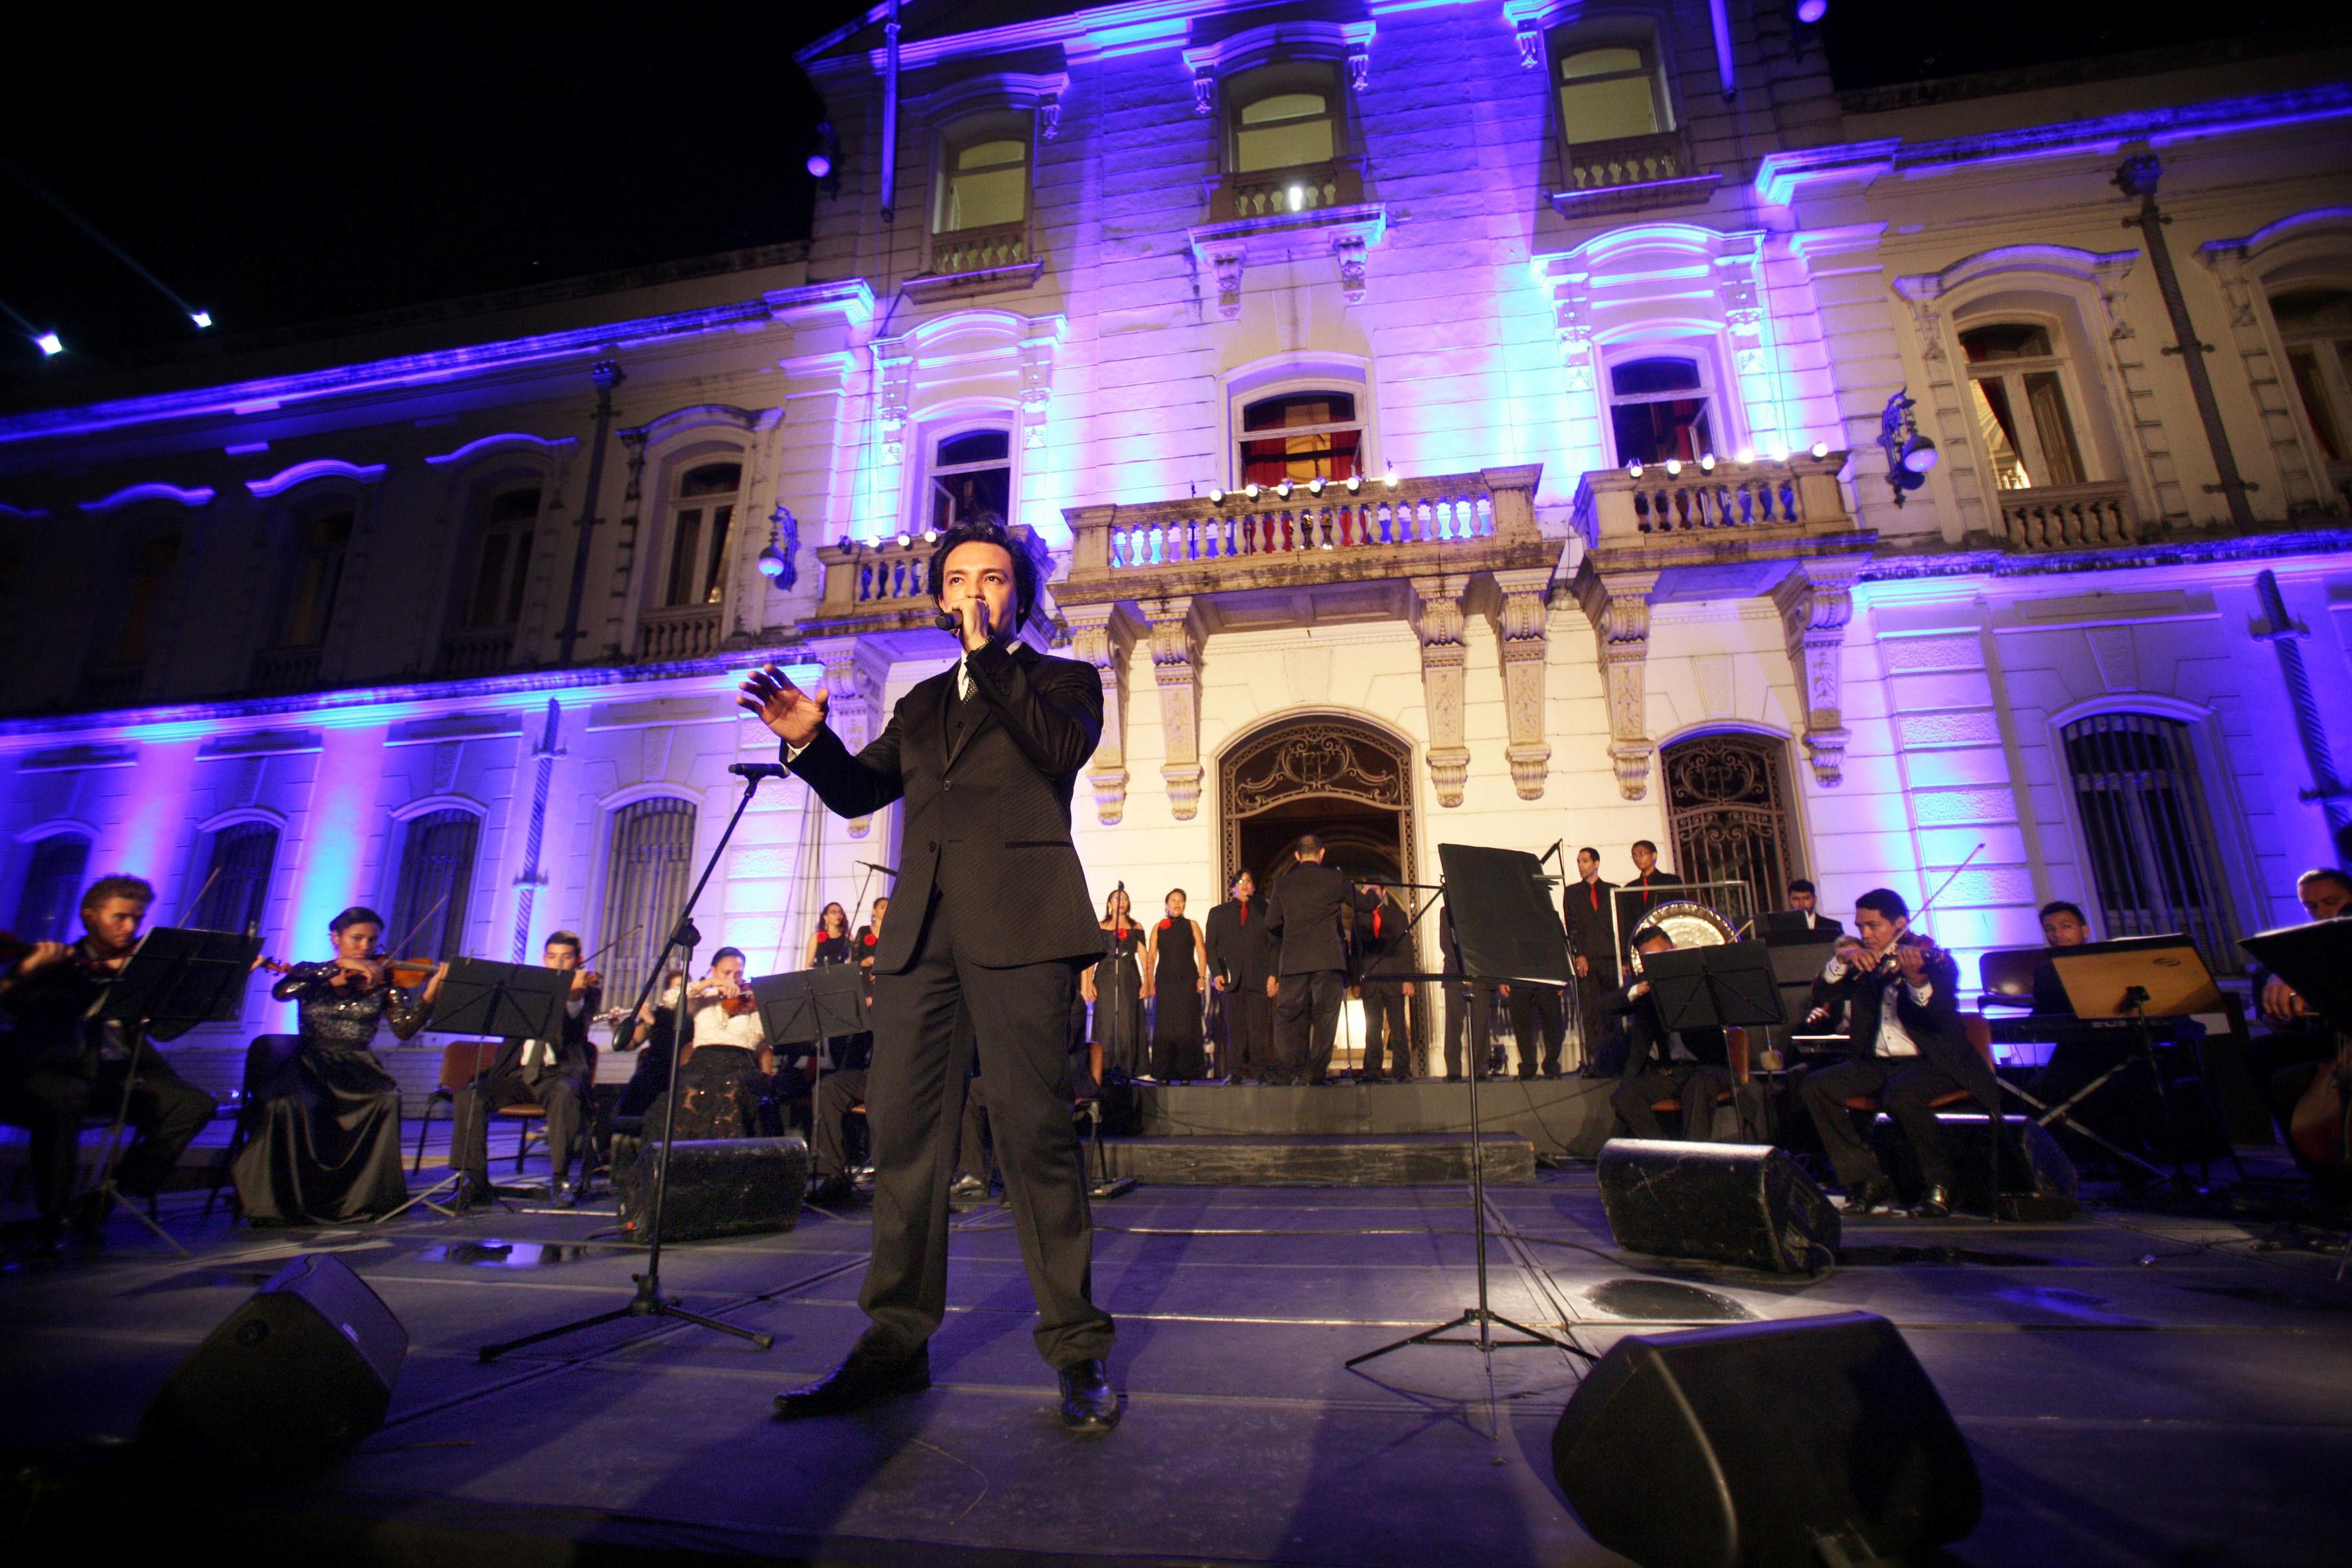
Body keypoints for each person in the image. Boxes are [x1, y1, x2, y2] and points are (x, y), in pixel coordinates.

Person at [741, 512, 1119, 1432]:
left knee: (1034, 1139)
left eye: (991, 578)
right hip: (918, 944)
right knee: (906, 1147)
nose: (972, 591)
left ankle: (1076, 1351)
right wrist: (806, 743)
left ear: (1017, 595)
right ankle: (892, 1346)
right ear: (939, 596)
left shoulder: (1062, 680)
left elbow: (1057, 751)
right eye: (957, 579)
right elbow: (862, 791)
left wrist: (991, 658)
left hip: (1023, 930)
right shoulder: (916, 705)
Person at [0, 875, 218, 1250]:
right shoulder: (58, 963)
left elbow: (164, 1032)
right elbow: (10, 1011)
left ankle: (105, 1198)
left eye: (137, 918)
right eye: (120, 917)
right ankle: (53, 1220)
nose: (130, 927)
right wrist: (26, 971)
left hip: (119, 1076)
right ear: (90, 917)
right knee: (59, 1100)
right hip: (57, 1071)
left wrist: (199, 995)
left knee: (194, 1105)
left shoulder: (139, 970)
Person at [234, 905, 447, 1225]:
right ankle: (291, 1200)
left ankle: (361, 1201)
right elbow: (282, 991)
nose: (365, 947)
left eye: (372, 940)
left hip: (357, 1063)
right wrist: (334, 968)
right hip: (309, 1060)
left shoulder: (385, 981)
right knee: (290, 1105)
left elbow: (404, 1028)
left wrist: (430, 995)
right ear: (336, 938)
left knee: (386, 1099)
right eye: (357, 939)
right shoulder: (310, 973)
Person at [1795, 890, 1992, 1217]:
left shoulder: (1935, 962)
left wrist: (1916, 981)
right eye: (1861, 928)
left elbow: (1938, 1017)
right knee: (1816, 1086)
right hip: (1879, 1064)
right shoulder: (1864, 963)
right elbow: (1824, 991)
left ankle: (1940, 1183)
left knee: (1901, 1093)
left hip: (1933, 1062)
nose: (1866, 935)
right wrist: (1841, 959)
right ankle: (1866, 1179)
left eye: (1874, 927)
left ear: (1901, 924)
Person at [449, 931, 599, 1211]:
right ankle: (474, 1181)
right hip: (515, 1075)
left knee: (565, 1093)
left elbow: (574, 1030)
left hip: (557, 1073)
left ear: (578, 961)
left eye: (565, 958)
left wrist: (572, 997)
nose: (557, 964)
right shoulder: (524, 987)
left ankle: (561, 1180)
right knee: (469, 1097)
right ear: (544, 959)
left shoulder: (587, 991)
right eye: (552, 957)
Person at [1264, 835, 1380, 1087]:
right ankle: (1313, 1074)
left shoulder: (1282, 883)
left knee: (1289, 1018)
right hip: (1327, 961)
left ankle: (1286, 1073)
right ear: (1322, 853)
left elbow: (1271, 922)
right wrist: (1372, 895)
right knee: (1325, 1019)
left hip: (1294, 962)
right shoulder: (1334, 879)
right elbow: (1365, 904)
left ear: (1297, 855)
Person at [1607, 926, 1732, 1138]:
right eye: (1652, 959)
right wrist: (1638, 990)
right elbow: (1605, 1005)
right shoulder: (1649, 988)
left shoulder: (1699, 977)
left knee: (1698, 1085)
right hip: (1674, 1071)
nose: (1661, 963)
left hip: (1709, 1067)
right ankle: (1664, 1153)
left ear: (1674, 948)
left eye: (1664, 955)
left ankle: (1695, 1159)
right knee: (1625, 1097)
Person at [641, 948, 771, 1140]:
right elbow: (671, 999)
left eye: (739, 974)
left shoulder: (751, 1002)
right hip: (702, 1062)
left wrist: (751, 1007)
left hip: (739, 1063)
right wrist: (709, 984)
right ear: (714, 971)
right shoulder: (702, 999)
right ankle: (680, 1160)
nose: (733, 979)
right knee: (686, 1093)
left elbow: (755, 1039)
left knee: (732, 1090)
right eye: (726, 973)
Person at [1204, 870, 1275, 1082]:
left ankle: (1260, 1069)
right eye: (1241, 882)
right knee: (1235, 1028)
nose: (1245, 885)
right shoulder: (1218, 913)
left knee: (1258, 1027)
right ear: (1233, 887)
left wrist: (1273, 975)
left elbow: (1274, 946)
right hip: (1231, 979)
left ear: (1254, 887)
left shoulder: (1265, 910)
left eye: (1249, 881)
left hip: (1259, 978)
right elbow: (1211, 947)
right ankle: (1235, 1070)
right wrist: (1216, 973)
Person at [1560, 847, 1616, 1074]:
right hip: (1587, 958)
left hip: (1610, 957)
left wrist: (1622, 958)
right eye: (1578, 862)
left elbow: (1617, 926)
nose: (1581, 865)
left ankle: (1614, 1056)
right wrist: (1578, 954)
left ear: (1596, 863)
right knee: (1590, 1010)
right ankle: (1595, 1058)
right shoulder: (1572, 893)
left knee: (1612, 1009)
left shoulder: (1612, 890)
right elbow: (1571, 926)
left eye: (1585, 861)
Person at [1355, 880, 1417, 1082]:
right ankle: (1372, 1070)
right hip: (1370, 981)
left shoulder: (1398, 916)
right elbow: (1355, 951)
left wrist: (1407, 979)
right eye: (1365, 891)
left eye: (1373, 890)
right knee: (1373, 1027)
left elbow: (1406, 950)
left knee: (1398, 1026)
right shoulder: (1360, 917)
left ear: (1384, 892)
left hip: (1393, 979)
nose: (1369, 894)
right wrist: (1355, 980)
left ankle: (1402, 1070)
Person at [1144, 890, 1207, 1082]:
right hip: (1165, 980)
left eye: (1181, 900)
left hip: (1187, 979)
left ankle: (1187, 1073)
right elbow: (1152, 956)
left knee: (1187, 1026)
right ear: (1167, 905)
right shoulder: (1158, 927)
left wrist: (1202, 977)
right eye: (1173, 900)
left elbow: (1202, 952)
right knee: (1165, 1026)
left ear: (1185, 904)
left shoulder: (1192, 925)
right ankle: (1164, 1073)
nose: (1177, 903)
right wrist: (1149, 981)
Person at [1085, 890, 1146, 1080]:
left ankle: (1127, 1068)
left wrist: (1148, 981)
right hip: (1105, 977)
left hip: (1129, 978)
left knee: (1128, 1021)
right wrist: (1088, 983)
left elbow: (1145, 956)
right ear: (1109, 903)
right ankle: (1104, 1068)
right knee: (1106, 1021)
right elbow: (1091, 957)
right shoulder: (1101, 926)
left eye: (1126, 899)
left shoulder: (1136, 927)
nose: (1122, 902)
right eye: (1117, 899)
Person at [1437, 905, 1499, 1081]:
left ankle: (1480, 1069)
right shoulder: (1446, 911)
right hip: (1455, 972)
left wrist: (1475, 968)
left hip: (1480, 973)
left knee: (1480, 1023)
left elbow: (1490, 941)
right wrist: (1463, 969)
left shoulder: (1484, 909)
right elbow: (1446, 942)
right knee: (1453, 1024)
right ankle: (1454, 1070)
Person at [1506, 978, 1567, 1080]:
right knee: (1521, 1024)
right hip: (1518, 977)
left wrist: (1562, 979)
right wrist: (1504, 979)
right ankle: (1527, 1067)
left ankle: (1551, 1065)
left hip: (1547, 977)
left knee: (1553, 1023)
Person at [1761, 879, 1843, 941]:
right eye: (1796, 899)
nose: (1801, 904)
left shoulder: (1833, 926)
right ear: (1789, 901)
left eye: (1806, 898)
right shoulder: (1779, 929)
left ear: (1814, 899)